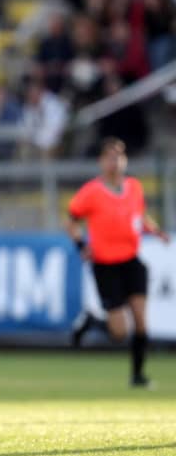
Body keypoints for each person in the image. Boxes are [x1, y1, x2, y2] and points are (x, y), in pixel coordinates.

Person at [67, 137, 169, 388]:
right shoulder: (92, 191)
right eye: (110, 157)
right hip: (105, 264)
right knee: (119, 332)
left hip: (131, 261)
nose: (115, 162)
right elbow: (71, 221)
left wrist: (156, 231)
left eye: (119, 156)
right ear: (102, 162)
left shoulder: (134, 187)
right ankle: (92, 320)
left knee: (141, 319)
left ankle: (138, 376)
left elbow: (140, 216)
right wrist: (81, 245)